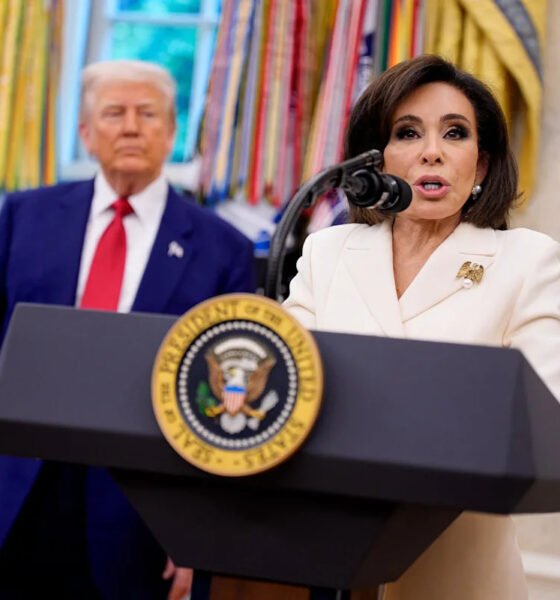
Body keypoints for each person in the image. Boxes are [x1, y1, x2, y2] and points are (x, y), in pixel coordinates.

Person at [283, 54, 560, 600]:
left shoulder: (527, 261)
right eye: (408, 133)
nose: (432, 151)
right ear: (376, 159)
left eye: (454, 133)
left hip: (457, 569)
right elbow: (289, 387)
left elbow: (541, 415)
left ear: (481, 166)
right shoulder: (327, 251)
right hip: (326, 551)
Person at [0, 60, 255, 599]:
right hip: (18, 488)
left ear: (172, 131)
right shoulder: (23, 217)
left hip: (141, 511)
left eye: (148, 114)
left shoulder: (223, 250)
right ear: (86, 132)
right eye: (115, 113)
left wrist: (197, 530)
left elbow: (224, 404)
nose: (132, 127)